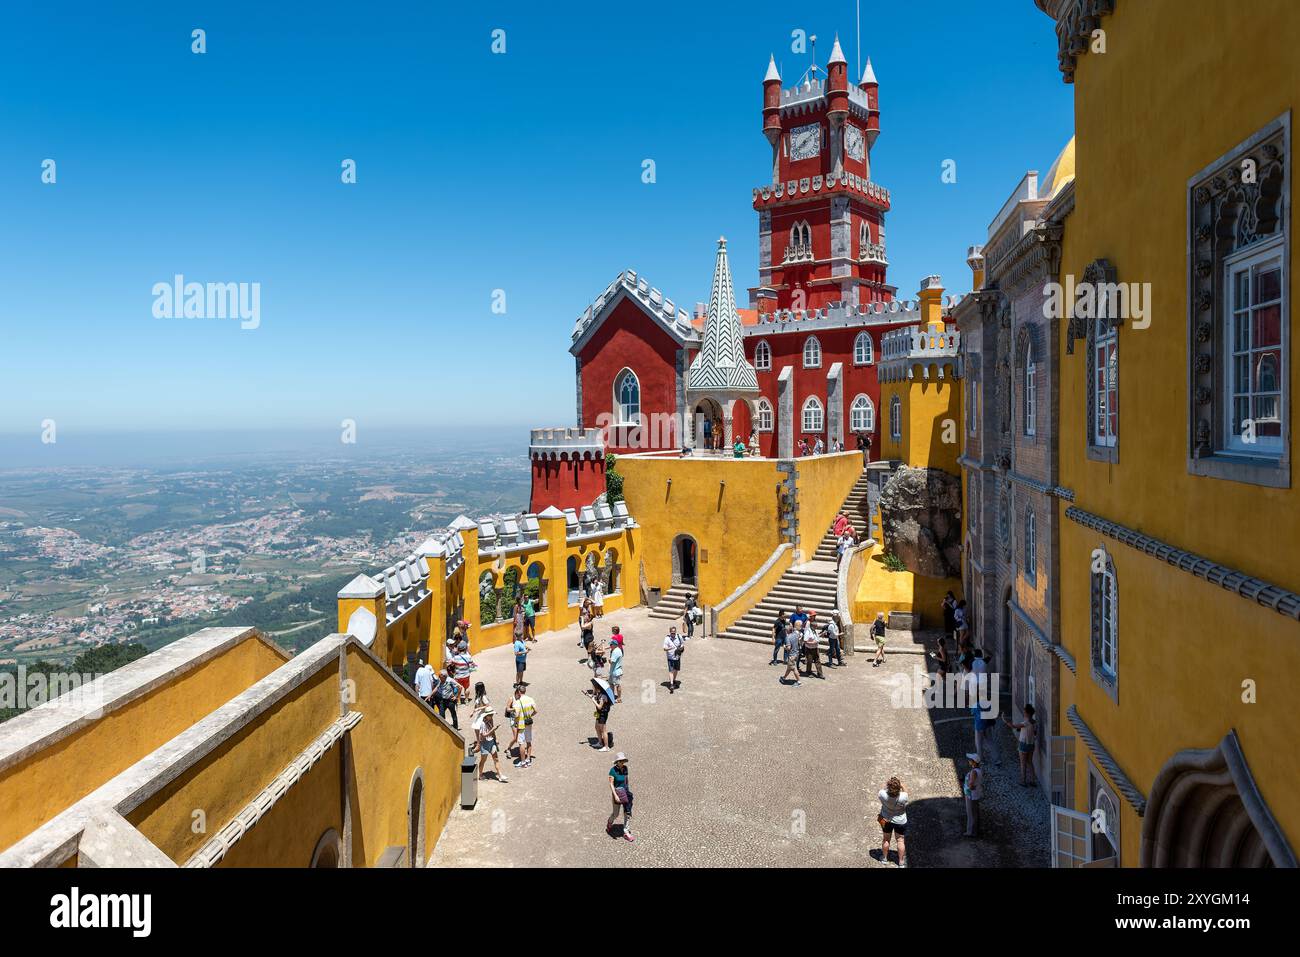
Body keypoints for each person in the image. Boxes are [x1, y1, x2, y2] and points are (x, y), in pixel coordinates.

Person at [877, 777, 909, 867]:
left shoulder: (882, 794)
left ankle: (884, 858)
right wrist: (902, 785)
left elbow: (882, 790)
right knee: (900, 841)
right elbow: (906, 792)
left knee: (886, 839)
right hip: (900, 821)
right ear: (899, 788)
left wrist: (887, 784)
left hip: (886, 819)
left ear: (888, 787)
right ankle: (901, 862)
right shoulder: (903, 796)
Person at [1005, 703, 1038, 786]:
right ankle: (1032, 780)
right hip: (1031, 744)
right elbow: (1034, 733)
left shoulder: (1026, 722)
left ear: (1027, 713)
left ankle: (1023, 781)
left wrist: (1005, 720)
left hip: (1024, 744)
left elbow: (1013, 726)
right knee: (1030, 762)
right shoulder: (1034, 722)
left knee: (1023, 763)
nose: (1023, 713)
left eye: (1024, 712)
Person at [473, 708, 508, 782]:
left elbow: (492, 731)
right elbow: (482, 736)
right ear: (486, 716)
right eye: (490, 715)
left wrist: (496, 739)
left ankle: (500, 775)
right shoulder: (482, 724)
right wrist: (493, 729)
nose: (492, 716)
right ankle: (480, 775)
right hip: (485, 744)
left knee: (496, 759)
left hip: (492, 742)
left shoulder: (490, 721)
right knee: (483, 760)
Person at [606, 753, 634, 842]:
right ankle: (610, 822)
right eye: (621, 761)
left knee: (627, 812)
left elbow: (626, 780)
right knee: (616, 814)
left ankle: (626, 832)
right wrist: (615, 795)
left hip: (625, 793)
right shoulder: (612, 771)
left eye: (623, 761)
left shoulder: (625, 768)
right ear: (617, 762)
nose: (623, 762)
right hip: (617, 794)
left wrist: (628, 791)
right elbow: (611, 784)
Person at [511, 683, 537, 768]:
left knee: (521, 743)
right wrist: (530, 715)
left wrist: (514, 719)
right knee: (528, 741)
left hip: (521, 725)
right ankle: (528, 760)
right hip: (528, 723)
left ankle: (522, 762)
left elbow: (517, 714)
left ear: (519, 691)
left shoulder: (518, 702)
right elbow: (536, 710)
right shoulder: (530, 699)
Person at [963, 753, 983, 838]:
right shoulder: (979, 770)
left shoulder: (974, 772)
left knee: (971, 813)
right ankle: (976, 831)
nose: (969, 761)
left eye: (970, 760)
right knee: (975, 813)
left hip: (971, 796)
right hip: (975, 795)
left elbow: (971, 785)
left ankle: (970, 831)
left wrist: (967, 785)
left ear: (974, 762)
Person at [779, 622, 803, 687]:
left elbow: (789, 648)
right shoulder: (796, 634)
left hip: (791, 655)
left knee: (794, 668)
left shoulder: (788, 637)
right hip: (797, 653)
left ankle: (799, 682)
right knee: (789, 667)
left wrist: (784, 647)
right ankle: (784, 678)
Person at [663, 625, 685, 693]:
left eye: (674, 633)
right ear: (670, 632)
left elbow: (682, 644)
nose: (673, 634)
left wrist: (680, 649)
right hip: (670, 657)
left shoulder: (679, 636)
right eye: (672, 633)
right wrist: (670, 648)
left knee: (676, 670)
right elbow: (664, 648)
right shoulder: (667, 639)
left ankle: (674, 680)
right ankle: (671, 684)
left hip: (677, 657)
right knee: (671, 670)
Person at [608, 630, 625, 702]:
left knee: (617, 685)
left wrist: (609, 660)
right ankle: (612, 696)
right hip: (613, 671)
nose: (610, 646)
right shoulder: (618, 649)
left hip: (615, 671)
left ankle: (619, 698)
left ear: (614, 645)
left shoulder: (615, 651)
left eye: (611, 645)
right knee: (611, 684)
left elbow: (612, 661)